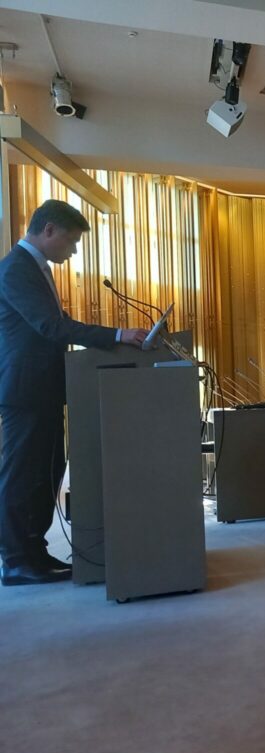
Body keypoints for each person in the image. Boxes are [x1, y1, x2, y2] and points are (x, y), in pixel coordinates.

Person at [0, 201, 149, 585]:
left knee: (46, 471)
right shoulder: (16, 268)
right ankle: (16, 560)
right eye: (72, 239)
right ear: (48, 230)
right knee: (21, 475)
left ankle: (33, 552)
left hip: (43, 389)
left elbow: (55, 325)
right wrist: (116, 336)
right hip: (24, 391)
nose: (75, 250)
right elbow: (51, 327)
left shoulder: (35, 268)